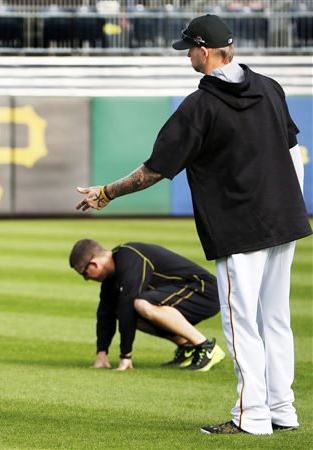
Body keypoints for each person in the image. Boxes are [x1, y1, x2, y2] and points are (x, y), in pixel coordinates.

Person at [75, 15, 311, 435]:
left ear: (204, 51)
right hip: (286, 221)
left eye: (189, 49)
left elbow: (153, 170)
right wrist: (293, 208)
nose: (187, 55)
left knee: (241, 325)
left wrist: (106, 193)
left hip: (240, 230)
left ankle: (252, 417)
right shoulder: (271, 88)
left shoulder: (199, 106)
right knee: (275, 319)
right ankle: (282, 410)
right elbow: (295, 152)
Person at [69, 239, 224, 372]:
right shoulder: (111, 277)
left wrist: (125, 355)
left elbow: (128, 306)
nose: (86, 279)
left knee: (140, 304)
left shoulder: (128, 257)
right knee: (123, 311)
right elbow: (105, 313)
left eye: (84, 273)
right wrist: (101, 353)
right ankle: (187, 348)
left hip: (205, 291)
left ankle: (206, 347)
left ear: (94, 264)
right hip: (186, 295)